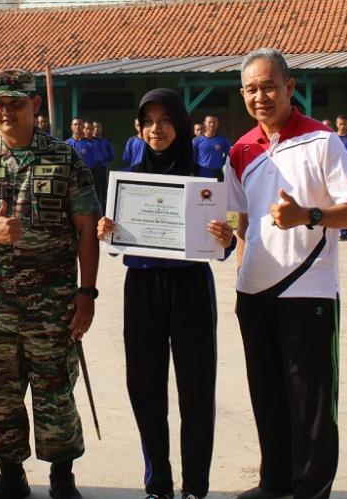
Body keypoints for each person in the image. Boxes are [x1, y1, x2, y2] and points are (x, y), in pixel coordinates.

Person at [0, 69, 100, 499]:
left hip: (53, 302)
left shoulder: (66, 159)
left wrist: (86, 294)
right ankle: (10, 474)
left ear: (35, 105)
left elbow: (87, 230)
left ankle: (62, 476)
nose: (7, 111)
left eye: (16, 102)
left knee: (55, 389)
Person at [227, 48, 347, 499]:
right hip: (255, 292)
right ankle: (275, 482)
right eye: (251, 88)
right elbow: (243, 223)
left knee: (311, 401)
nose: (260, 96)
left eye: (269, 86)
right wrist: (240, 278)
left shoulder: (323, 141)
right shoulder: (240, 150)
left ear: (289, 87)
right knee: (265, 393)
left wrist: (307, 215)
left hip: (308, 289)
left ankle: (311, 488)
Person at [97, 89, 235, 499]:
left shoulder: (203, 175)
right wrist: (109, 231)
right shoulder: (128, 177)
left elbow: (221, 247)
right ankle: (158, 483)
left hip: (191, 287)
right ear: (138, 128)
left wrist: (225, 240)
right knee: (145, 387)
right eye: (149, 121)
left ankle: (195, 486)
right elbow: (117, 237)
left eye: (166, 120)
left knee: (196, 389)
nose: (156, 129)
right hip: (142, 288)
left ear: (180, 124)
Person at [192, 114, 229, 181]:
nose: (212, 124)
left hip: (217, 172)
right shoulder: (197, 140)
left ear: (218, 124)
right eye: (209, 122)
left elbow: (228, 155)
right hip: (201, 172)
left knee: (218, 191)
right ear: (205, 123)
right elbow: (193, 156)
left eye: (214, 122)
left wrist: (220, 163)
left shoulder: (223, 140)